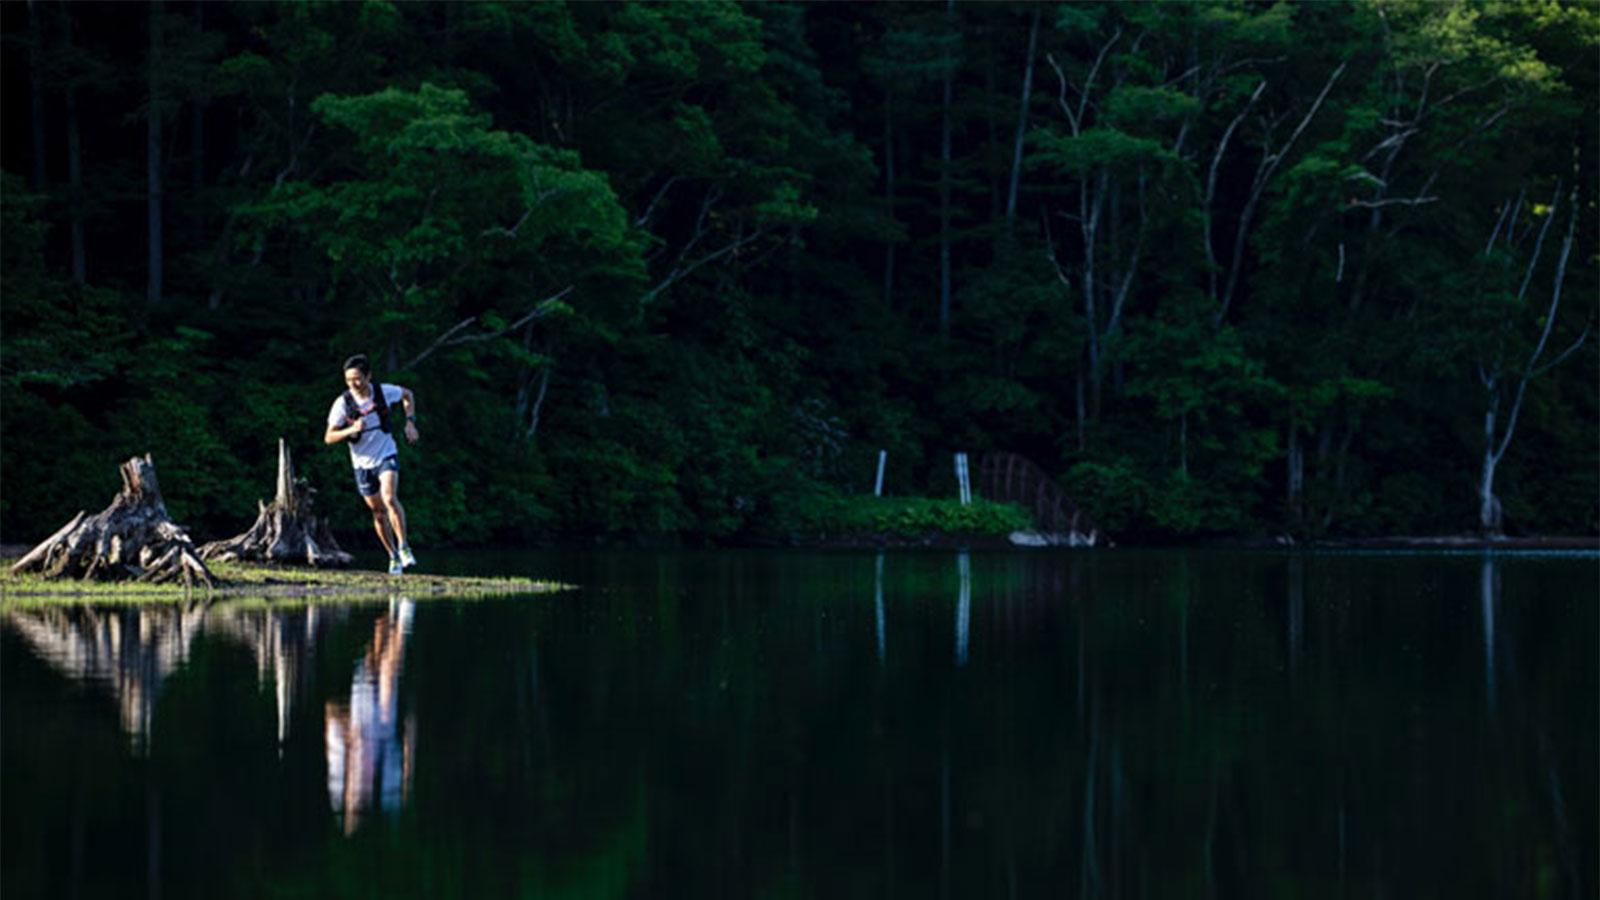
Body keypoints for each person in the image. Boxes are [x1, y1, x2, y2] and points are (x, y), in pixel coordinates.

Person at [324, 355, 420, 575]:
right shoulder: (342, 403)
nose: (353, 384)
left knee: (389, 498)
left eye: (357, 378)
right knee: (378, 512)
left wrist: (410, 422)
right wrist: (351, 429)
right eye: (348, 380)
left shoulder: (383, 391)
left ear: (368, 376)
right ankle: (393, 556)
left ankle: (404, 547)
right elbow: (328, 437)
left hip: (386, 452)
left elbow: (408, 395)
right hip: (361, 462)